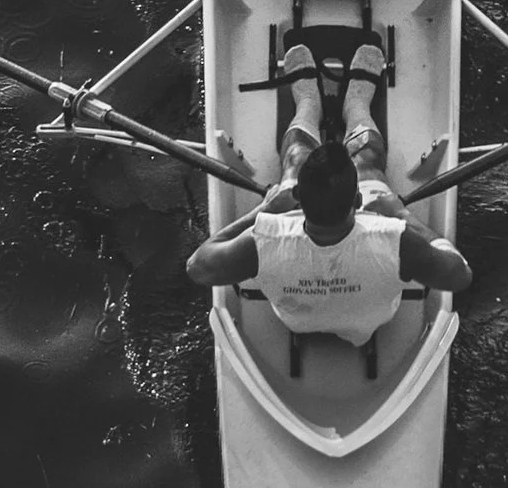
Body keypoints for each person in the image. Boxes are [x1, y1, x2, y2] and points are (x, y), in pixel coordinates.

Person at [187, 136, 470, 337]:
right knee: (367, 157)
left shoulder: (263, 238)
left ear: (298, 198)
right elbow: (460, 276)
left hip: (296, 323)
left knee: (297, 154)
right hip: (369, 328)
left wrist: (265, 209)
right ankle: (359, 93)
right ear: (358, 201)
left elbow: (198, 266)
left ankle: (306, 93)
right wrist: (401, 213)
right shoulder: (398, 239)